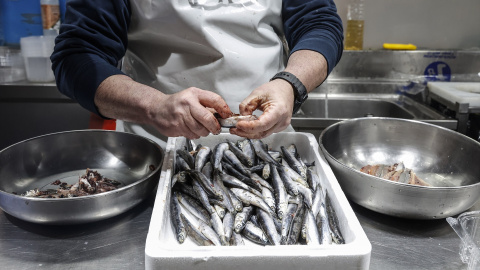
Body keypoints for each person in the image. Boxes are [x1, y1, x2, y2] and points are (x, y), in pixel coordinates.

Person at [51, 0, 343, 147]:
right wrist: (153, 106)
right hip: (158, 150)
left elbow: (319, 24)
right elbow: (76, 55)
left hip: (270, 145)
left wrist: (290, 84)